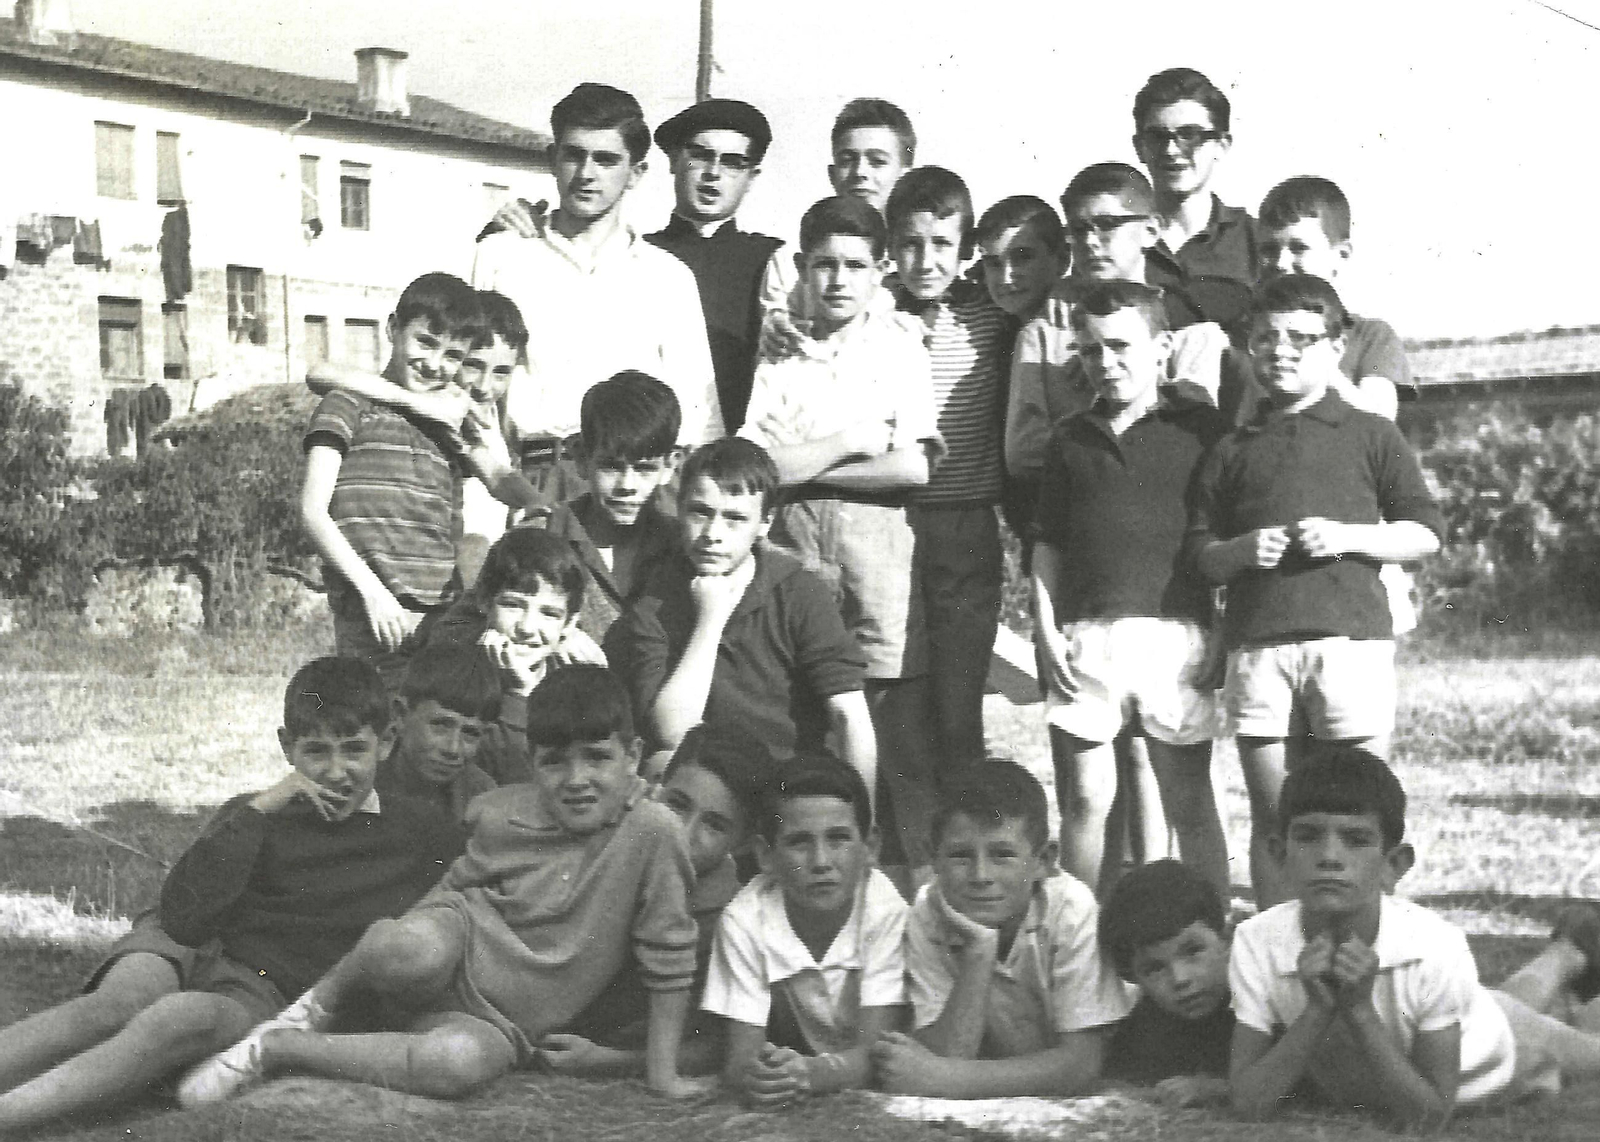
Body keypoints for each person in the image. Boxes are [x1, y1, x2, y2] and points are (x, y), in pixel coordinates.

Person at [178, 666, 704, 1104]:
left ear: (633, 756)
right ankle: (312, 1009)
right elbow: (453, 888)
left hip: (504, 1019)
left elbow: (669, 955)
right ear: (532, 763)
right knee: (408, 946)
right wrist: (399, 950)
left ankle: (279, 1048)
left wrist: (661, 1074)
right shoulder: (504, 812)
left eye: (598, 758)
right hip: (457, 946)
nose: (576, 779)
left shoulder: (654, 832)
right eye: (554, 762)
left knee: (455, 1065)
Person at [0, 658, 459, 1131]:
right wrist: (261, 809)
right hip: (184, 944)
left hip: (258, 983)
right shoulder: (255, 811)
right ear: (287, 748)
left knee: (177, 1019)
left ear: (385, 744)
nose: (336, 772)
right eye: (316, 751)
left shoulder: (419, 834)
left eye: (354, 750)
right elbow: (179, 917)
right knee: (111, 1008)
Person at [1186, 274, 1444, 907]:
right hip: (1259, 650)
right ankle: (1279, 955)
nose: (1281, 351)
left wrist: (1349, 537)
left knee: (1360, 812)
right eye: (1266, 338)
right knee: (1278, 823)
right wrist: (1240, 552)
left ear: (1336, 347)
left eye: (1301, 338)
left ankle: (1365, 945)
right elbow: (1200, 556)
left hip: (1348, 642)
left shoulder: (1370, 435)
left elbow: (1423, 535)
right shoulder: (1231, 449)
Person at [738, 194, 943, 884]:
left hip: (878, 556)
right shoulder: (781, 352)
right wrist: (851, 440)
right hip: (795, 550)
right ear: (800, 266)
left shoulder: (900, 348)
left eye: (855, 265)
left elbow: (912, 465)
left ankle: (903, 883)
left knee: (893, 728)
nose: (837, 280)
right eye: (823, 264)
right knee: (807, 716)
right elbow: (763, 466)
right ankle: (816, 876)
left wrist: (814, 463)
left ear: (881, 269)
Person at [1230, 747, 1600, 1128]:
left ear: (1394, 865)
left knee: (1580, 1049)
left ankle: (1571, 964)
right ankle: (1569, 950)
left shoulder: (1434, 947)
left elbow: (1427, 1117)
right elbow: (1248, 1103)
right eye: (1308, 836)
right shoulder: (1255, 941)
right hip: (1461, 1016)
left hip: (1495, 1055)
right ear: (1278, 854)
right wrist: (1317, 1011)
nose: (1329, 856)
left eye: (1355, 840)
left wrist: (1358, 1010)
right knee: (1492, 1002)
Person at [1031, 281, 1229, 900]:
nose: (1106, 364)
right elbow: (1047, 544)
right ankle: (1079, 949)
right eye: (1090, 351)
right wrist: (1042, 626)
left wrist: (1223, 628)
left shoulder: (1201, 431)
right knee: (1086, 799)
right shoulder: (1069, 438)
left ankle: (1212, 939)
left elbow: (1224, 534)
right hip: (1088, 637)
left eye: (1120, 347)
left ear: (1162, 347)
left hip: (1176, 634)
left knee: (1188, 800)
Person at [470, 82, 721, 533]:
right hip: (534, 482)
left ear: (637, 172)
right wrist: (494, 505)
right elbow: (473, 398)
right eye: (574, 155)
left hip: (637, 492)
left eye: (606, 159)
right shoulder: (502, 256)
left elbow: (701, 418)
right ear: (552, 158)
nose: (587, 173)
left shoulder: (668, 277)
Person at [300, 273, 540, 688]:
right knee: (384, 727)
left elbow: (501, 481)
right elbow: (312, 511)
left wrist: (542, 507)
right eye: (425, 342)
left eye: (451, 356)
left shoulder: (446, 422)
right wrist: (373, 595)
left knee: (444, 726)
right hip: (373, 613)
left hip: (446, 616)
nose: (434, 364)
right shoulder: (348, 405)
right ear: (393, 330)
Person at [604, 437, 874, 784]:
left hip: (786, 781)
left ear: (764, 523)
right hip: (708, 782)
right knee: (663, 763)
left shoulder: (797, 591)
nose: (713, 534)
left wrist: (860, 823)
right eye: (700, 512)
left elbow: (849, 714)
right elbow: (674, 732)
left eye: (734, 518)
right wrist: (710, 620)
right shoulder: (656, 600)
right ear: (680, 507)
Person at [873, 760, 1131, 1097]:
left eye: (1002, 854)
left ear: (1044, 860)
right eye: (960, 856)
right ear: (932, 858)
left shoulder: (1071, 908)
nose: (981, 876)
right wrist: (980, 952)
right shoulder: (928, 913)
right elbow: (948, 1053)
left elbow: (1081, 1065)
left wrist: (952, 1080)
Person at [1233, 175, 1421, 637]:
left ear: (1341, 255)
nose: (1282, 263)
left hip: (1351, 543)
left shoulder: (1369, 336)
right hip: (1270, 543)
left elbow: (1377, 424)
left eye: (1299, 248)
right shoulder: (1250, 343)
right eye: (1269, 251)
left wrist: (1312, 345)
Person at [537, 723, 772, 1079]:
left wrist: (603, 1061)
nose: (683, 832)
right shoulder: (609, 831)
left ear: (740, 843)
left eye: (714, 825)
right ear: (655, 789)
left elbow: (714, 1046)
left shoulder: (728, 921)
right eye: (677, 805)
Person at [885, 166, 1011, 774]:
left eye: (941, 245)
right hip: (888, 522)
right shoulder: (875, 309)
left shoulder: (990, 313)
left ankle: (966, 846)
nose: (926, 261)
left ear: (964, 251)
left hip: (964, 527)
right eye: (910, 244)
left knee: (959, 708)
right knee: (897, 701)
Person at [1006, 163, 1229, 490]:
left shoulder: (1191, 334)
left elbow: (1194, 441)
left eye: (1107, 225)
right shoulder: (1044, 335)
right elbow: (1023, 453)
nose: (1090, 241)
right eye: (1079, 229)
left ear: (1151, 230)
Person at [702, 753, 908, 1107]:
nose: (821, 862)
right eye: (799, 842)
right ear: (766, 855)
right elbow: (740, 1061)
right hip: (797, 1061)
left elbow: (878, 1051)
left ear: (870, 847)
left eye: (839, 838)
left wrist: (811, 1073)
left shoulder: (886, 911)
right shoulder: (745, 918)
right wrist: (763, 1077)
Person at [646, 99, 785, 434]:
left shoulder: (772, 261)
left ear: (752, 177)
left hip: (739, 457)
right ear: (674, 160)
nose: (714, 173)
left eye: (733, 162)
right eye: (701, 155)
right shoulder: (638, 253)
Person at [421, 527, 596, 785]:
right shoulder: (456, 675)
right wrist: (519, 695)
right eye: (513, 605)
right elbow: (511, 777)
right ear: (483, 601)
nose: (527, 627)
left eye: (549, 613)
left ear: (569, 624)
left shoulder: (571, 677)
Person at [759, 98, 917, 352]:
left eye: (877, 161)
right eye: (848, 160)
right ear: (832, 174)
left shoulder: (920, 253)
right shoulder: (792, 259)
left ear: (905, 175)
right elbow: (779, 334)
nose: (860, 172)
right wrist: (775, 326)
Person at [536, 371, 683, 641]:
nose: (627, 485)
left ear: (670, 466)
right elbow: (465, 625)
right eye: (611, 467)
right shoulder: (540, 536)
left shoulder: (684, 547)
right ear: (581, 458)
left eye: (644, 468)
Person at [1131, 67, 1259, 342]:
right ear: (1139, 147)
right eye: (1157, 137)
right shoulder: (1117, 237)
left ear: (1222, 145)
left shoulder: (1257, 239)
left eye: (1189, 135)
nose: (1171, 150)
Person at [1098, 859, 1234, 1106]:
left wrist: (1216, 1088)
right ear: (1133, 977)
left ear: (1225, 939)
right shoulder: (1147, 1023)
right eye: (1155, 968)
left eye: (1193, 951)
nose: (1180, 979)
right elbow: (1114, 1082)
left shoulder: (1260, 999)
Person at [375, 644, 500, 822]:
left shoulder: (480, 795)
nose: (453, 749)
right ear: (400, 715)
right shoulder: (363, 780)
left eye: (470, 733)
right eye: (441, 725)